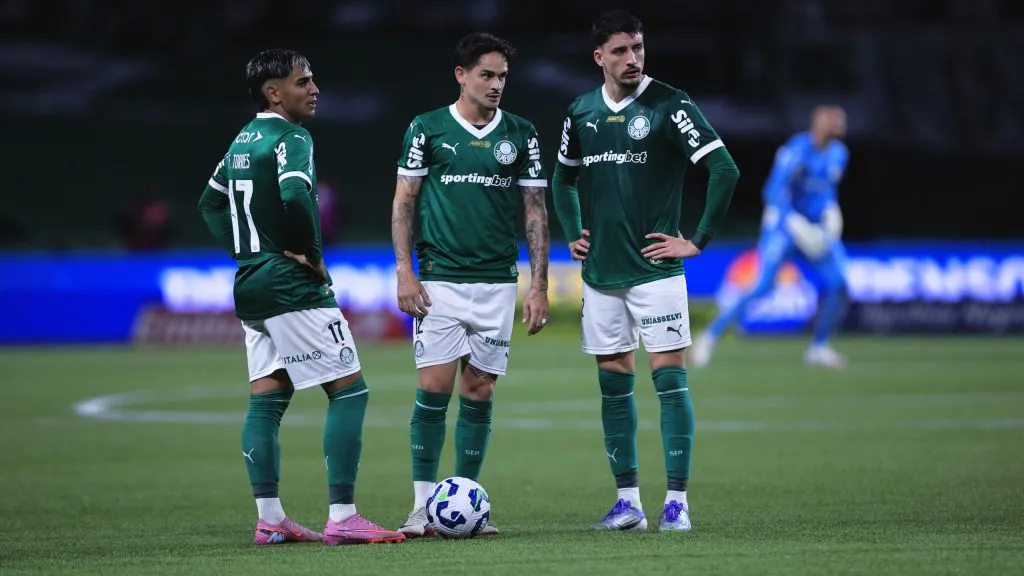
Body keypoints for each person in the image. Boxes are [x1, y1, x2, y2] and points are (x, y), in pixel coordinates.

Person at [197, 48, 405, 546]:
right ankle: (343, 516)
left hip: (252, 282)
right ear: (274, 92)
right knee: (350, 390)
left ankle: (271, 519)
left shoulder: (243, 141)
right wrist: (312, 256)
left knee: (268, 401)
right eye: (303, 81)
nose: (315, 89)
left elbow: (209, 202)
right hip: (291, 284)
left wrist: (246, 251)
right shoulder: (293, 137)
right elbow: (294, 197)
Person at [551, 10, 740, 532]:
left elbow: (724, 169)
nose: (632, 58)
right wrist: (572, 230)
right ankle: (628, 503)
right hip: (601, 275)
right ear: (599, 57)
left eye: (638, 48)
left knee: (670, 383)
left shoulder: (670, 104)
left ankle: (676, 503)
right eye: (620, 51)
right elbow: (561, 180)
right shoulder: (581, 111)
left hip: (656, 273)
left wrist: (697, 240)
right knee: (613, 387)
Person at [390, 32, 550, 538]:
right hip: (439, 282)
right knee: (433, 391)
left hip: (497, 283)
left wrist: (539, 284)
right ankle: (421, 507)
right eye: (487, 74)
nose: (496, 84)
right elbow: (403, 203)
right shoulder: (428, 128)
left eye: (503, 76)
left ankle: (467, 504)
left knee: (479, 391)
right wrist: (404, 270)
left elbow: (535, 211)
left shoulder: (521, 133)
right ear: (461, 75)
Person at [692, 106, 849, 369]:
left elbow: (825, 192)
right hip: (785, 229)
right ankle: (709, 336)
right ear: (820, 123)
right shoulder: (796, 150)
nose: (841, 128)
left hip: (816, 230)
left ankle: (819, 347)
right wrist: (795, 223)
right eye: (835, 123)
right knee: (761, 286)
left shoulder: (839, 154)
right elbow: (773, 192)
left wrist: (832, 212)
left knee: (839, 283)